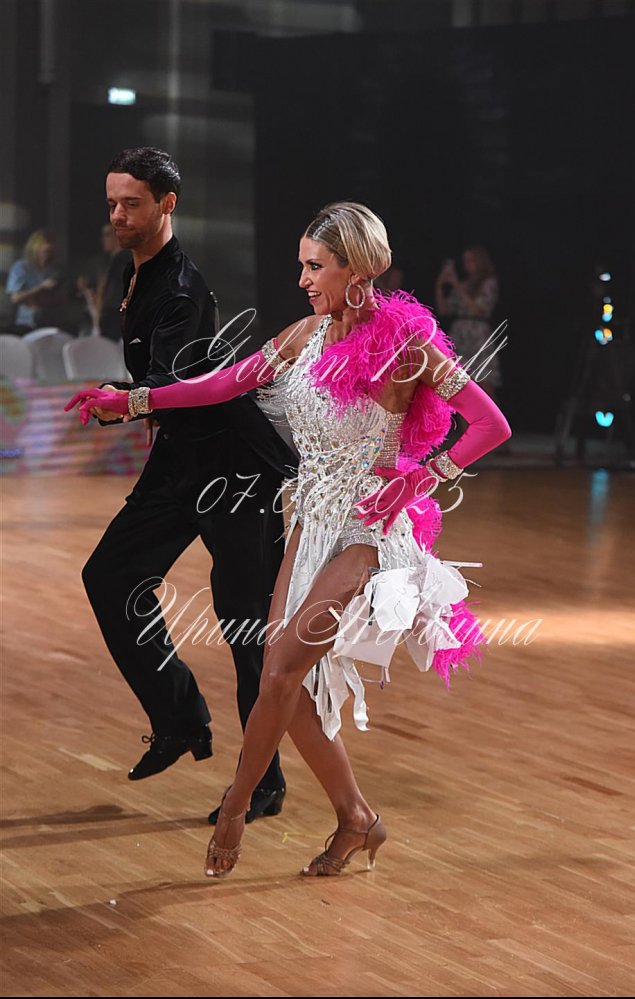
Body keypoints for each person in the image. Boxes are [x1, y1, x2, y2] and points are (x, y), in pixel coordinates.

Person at [67, 201, 511, 878]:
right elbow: (223, 384)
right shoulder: (305, 335)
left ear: (354, 270)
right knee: (289, 686)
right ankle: (357, 817)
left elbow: (490, 424)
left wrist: (422, 478)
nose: (302, 278)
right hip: (309, 522)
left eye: (315, 266)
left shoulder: (407, 345)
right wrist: (132, 400)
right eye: (301, 265)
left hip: (369, 526)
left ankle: (236, 807)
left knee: (276, 672)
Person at [67, 147, 297, 824]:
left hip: (235, 469)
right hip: (181, 461)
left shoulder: (181, 287)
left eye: (131, 204)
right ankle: (179, 718)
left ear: (167, 204)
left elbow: (171, 383)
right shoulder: (133, 270)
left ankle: (264, 783)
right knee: (110, 575)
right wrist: (120, 396)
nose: (117, 215)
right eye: (112, 203)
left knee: (245, 622)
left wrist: (123, 400)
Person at [434, 245, 501, 400]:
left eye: (471, 260)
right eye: (465, 261)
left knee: (484, 382)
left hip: (478, 333)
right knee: (458, 384)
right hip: (460, 333)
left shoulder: (489, 282)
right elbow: (444, 310)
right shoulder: (463, 285)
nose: (467, 264)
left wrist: (456, 284)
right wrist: (440, 285)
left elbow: (478, 309)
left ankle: (490, 416)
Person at [6, 229, 66, 331]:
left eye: (50, 252)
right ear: (35, 250)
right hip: (26, 322)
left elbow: (62, 299)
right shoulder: (21, 267)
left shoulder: (56, 270)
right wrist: (40, 288)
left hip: (50, 322)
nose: (47, 256)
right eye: (44, 252)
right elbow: (15, 298)